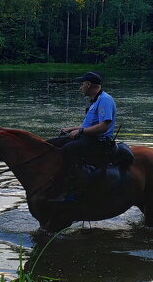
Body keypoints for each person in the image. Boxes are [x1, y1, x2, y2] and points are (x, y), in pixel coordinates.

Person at [49, 71, 116, 200]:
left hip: (100, 141)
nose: (80, 87)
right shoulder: (94, 101)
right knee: (51, 144)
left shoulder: (105, 100)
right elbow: (88, 125)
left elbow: (103, 126)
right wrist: (71, 129)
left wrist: (80, 132)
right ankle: (54, 180)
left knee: (67, 150)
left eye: (82, 84)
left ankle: (75, 188)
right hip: (88, 137)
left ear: (89, 84)